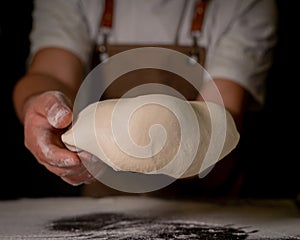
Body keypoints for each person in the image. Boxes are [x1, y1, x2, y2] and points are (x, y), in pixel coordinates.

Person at [12, 0, 278, 197]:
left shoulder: (244, 5)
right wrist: (41, 106)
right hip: (103, 207)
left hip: (208, 203)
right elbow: (50, 74)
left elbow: (220, 119)